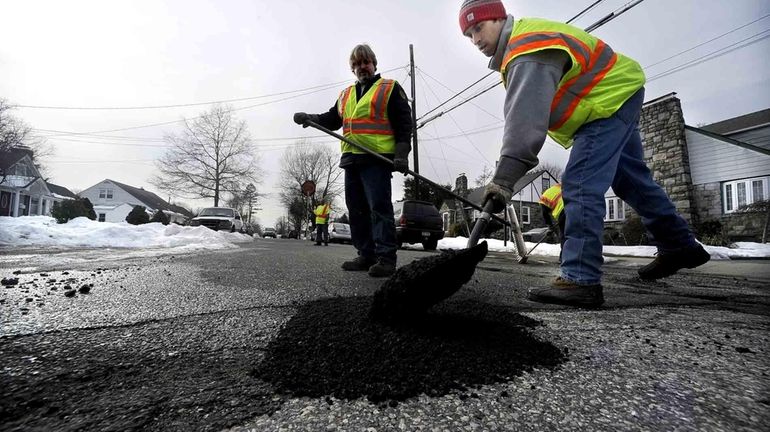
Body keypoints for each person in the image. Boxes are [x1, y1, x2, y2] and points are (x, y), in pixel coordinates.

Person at [459, 0, 710, 307]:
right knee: (630, 180)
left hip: (606, 102)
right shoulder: (521, 47)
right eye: (468, 34)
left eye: (479, 28)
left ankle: (580, 278)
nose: (475, 40)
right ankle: (679, 245)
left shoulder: (526, 50)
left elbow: (525, 124)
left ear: (498, 19)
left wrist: (504, 180)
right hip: (619, 93)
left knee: (579, 183)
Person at [293, 44, 413, 277]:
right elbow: (331, 119)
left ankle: (386, 258)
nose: (361, 68)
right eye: (356, 65)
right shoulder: (346, 94)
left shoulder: (389, 88)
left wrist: (401, 154)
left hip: (376, 160)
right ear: (352, 69)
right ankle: (366, 255)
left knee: (379, 209)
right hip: (351, 161)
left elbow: (404, 125)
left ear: (374, 64)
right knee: (356, 210)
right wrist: (311, 118)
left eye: (365, 62)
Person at [539, 183, 565, 261]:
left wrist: (550, 226)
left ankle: (563, 258)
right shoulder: (558, 186)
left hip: (563, 211)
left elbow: (545, 214)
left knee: (565, 236)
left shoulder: (543, 198)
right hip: (578, 206)